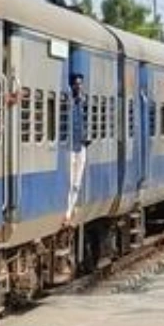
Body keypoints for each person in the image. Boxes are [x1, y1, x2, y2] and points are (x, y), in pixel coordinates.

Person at [65, 73, 90, 224]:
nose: (79, 86)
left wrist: (87, 136)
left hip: (81, 146)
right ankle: (67, 212)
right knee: (70, 181)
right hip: (70, 147)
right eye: (76, 84)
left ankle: (72, 208)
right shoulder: (69, 102)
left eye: (80, 83)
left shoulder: (83, 102)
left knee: (77, 183)